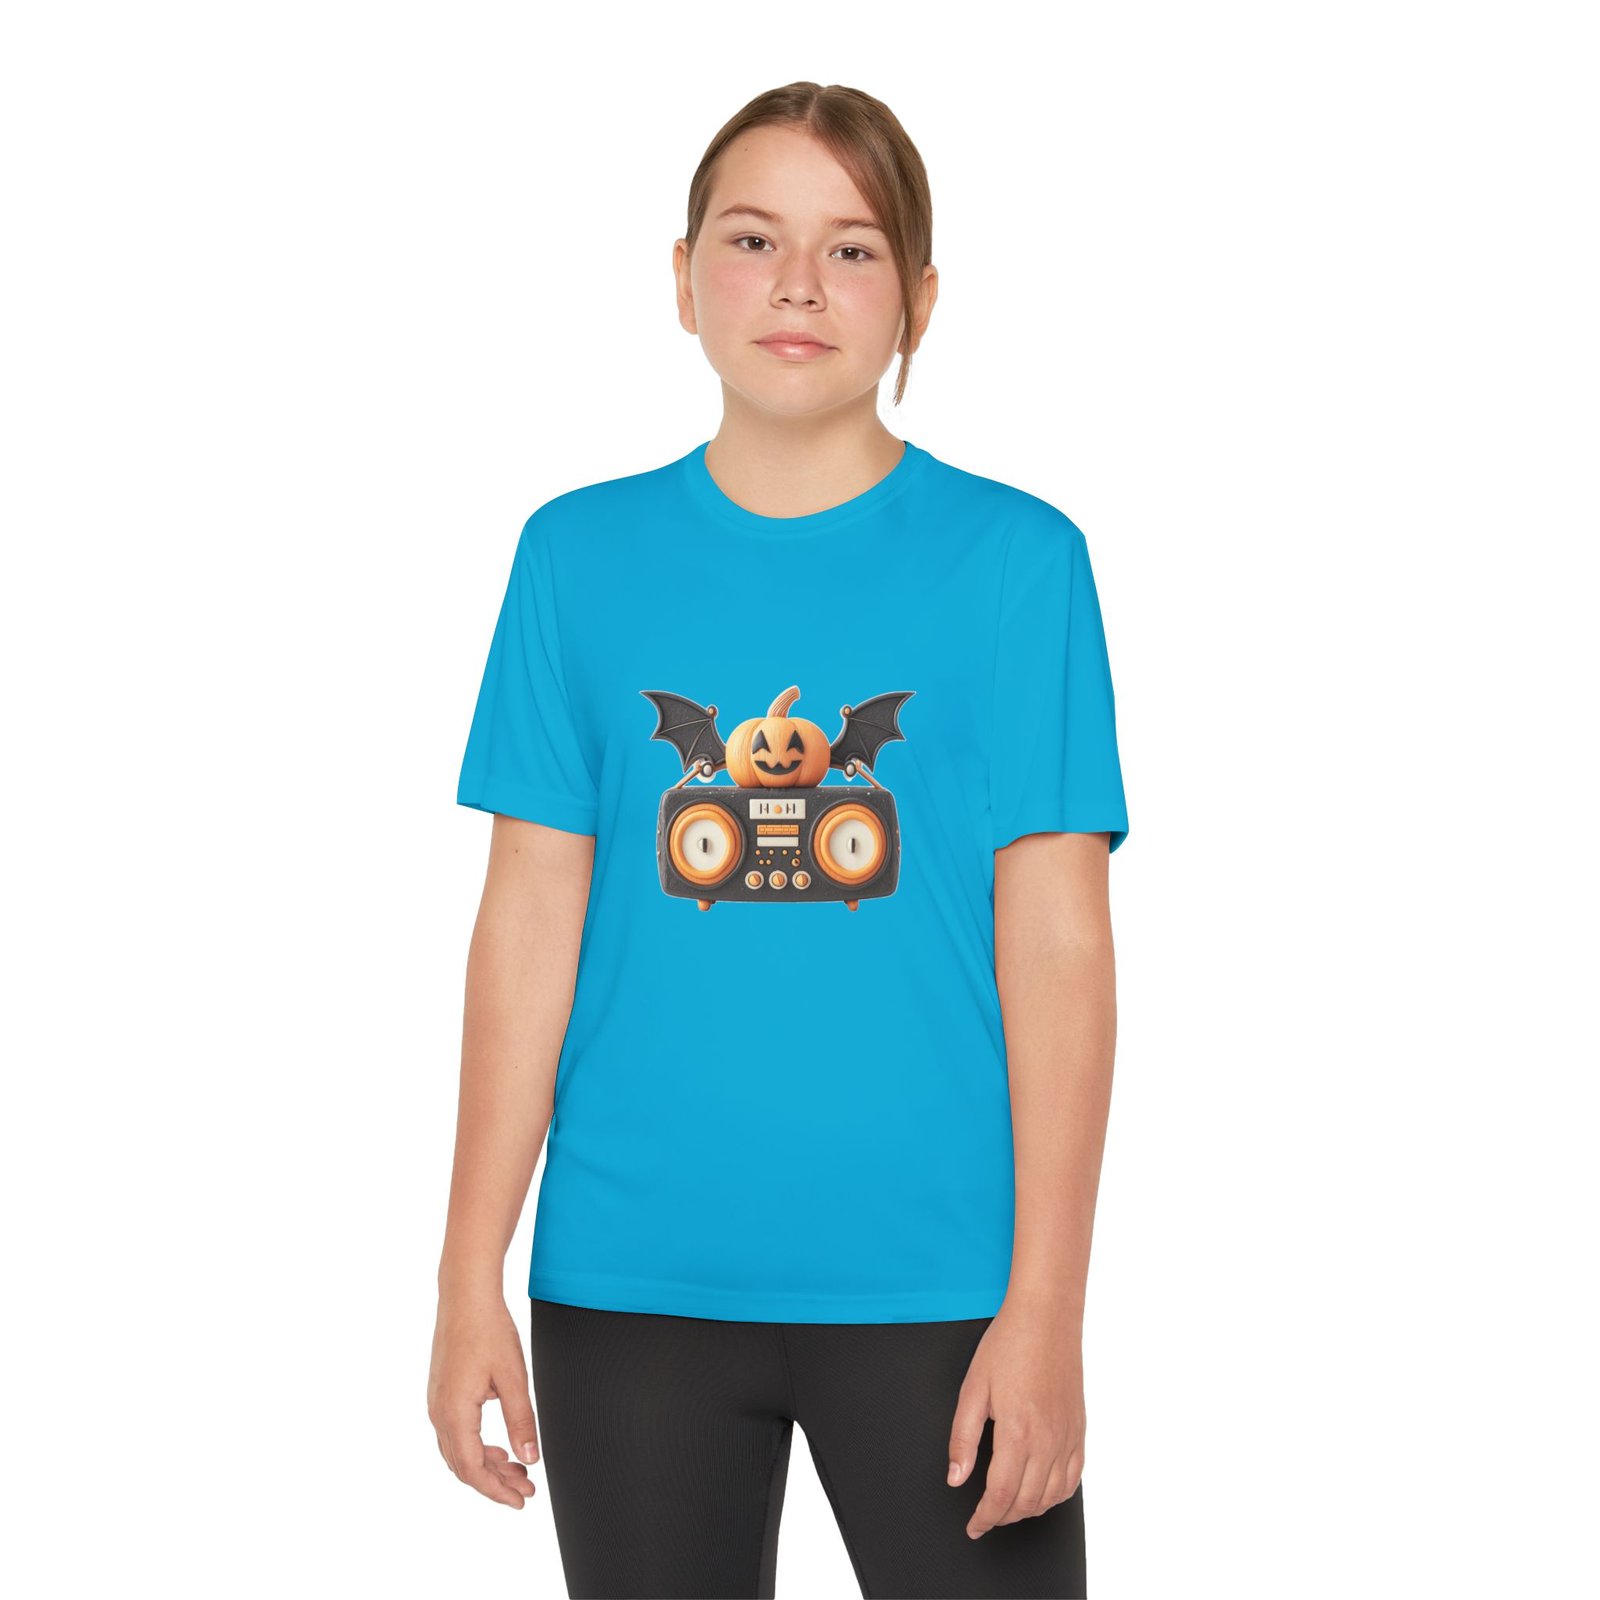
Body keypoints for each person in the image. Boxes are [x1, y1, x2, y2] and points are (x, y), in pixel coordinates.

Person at [428, 81, 1128, 1600]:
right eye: (753, 240)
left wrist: (1049, 1307)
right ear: (682, 278)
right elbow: (527, 930)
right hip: (632, 1283)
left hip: (945, 1287)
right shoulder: (575, 557)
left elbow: (1062, 949)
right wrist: (468, 1267)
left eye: (853, 249)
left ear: (920, 299)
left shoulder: (1020, 564)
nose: (799, 284)